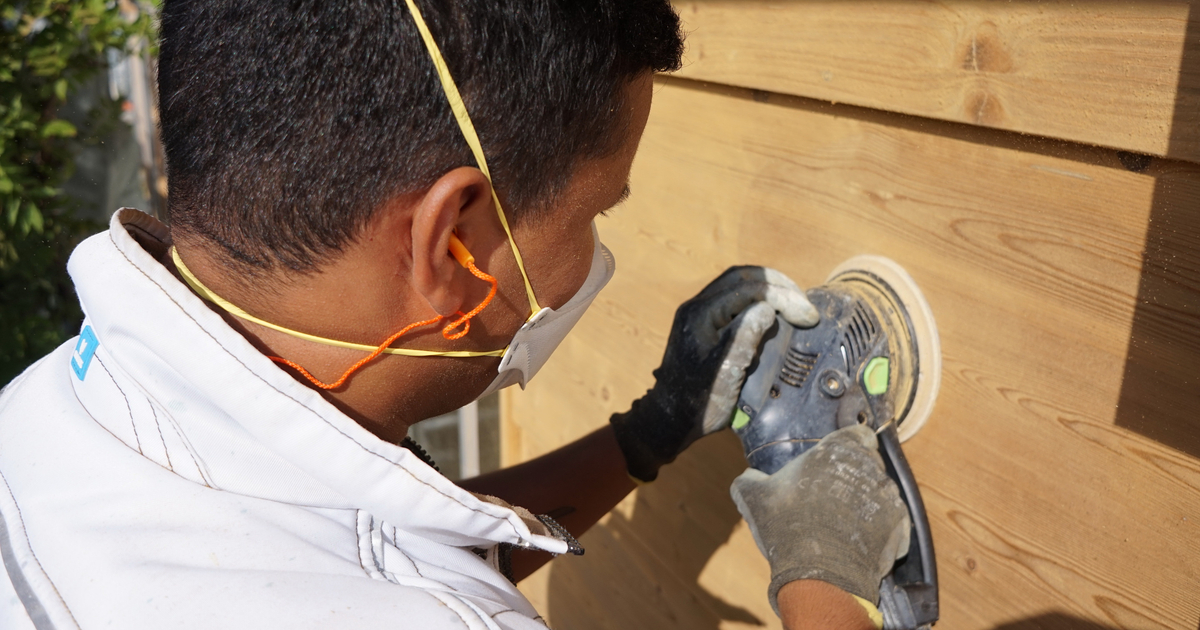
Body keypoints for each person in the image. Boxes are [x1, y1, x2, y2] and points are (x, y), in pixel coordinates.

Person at [0, 1, 910, 629]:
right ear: (453, 247)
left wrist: (651, 429)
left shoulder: (45, 415)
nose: (593, 254)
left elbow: (358, 546)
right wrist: (825, 573)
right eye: (597, 212)